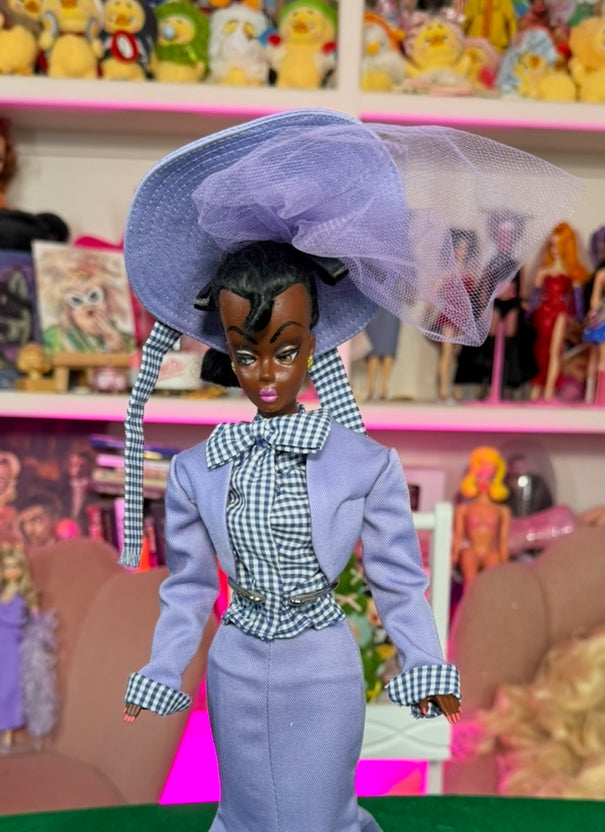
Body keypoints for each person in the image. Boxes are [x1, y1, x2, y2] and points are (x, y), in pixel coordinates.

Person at [118, 109, 581, 832]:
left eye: (286, 350)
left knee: (316, 812)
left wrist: (422, 666)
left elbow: (398, 579)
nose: (267, 373)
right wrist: (162, 668)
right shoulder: (197, 472)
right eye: (246, 353)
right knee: (244, 811)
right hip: (234, 667)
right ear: (225, 353)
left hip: (323, 667)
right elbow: (188, 590)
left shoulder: (363, 464)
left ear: (313, 344)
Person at [527, 221, 589, 401]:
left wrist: (580, 318)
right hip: (543, 314)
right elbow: (534, 298)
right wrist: (528, 314)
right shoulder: (543, 272)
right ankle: (537, 390)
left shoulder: (571, 274)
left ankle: (548, 392)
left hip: (560, 314)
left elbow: (577, 301)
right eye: (552, 245)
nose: (555, 249)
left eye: (559, 245)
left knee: (555, 351)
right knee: (541, 350)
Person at [452, 446, 511, 587]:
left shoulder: (502, 511)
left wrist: (505, 561)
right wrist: (454, 555)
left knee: (493, 583)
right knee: (470, 580)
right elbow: (458, 536)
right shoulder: (464, 509)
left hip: (491, 551)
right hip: (471, 550)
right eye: (480, 476)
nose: (484, 481)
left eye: (490, 477)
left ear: (496, 480)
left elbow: (503, 539)